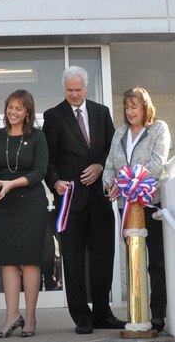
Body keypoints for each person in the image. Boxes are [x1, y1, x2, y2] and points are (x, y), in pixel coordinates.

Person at [42, 65, 124, 334]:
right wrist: (55, 182)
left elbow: (114, 151)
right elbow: (49, 159)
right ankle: (82, 317)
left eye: (78, 90)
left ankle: (103, 312)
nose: (74, 94)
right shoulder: (53, 116)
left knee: (103, 258)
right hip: (70, 202)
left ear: (86, 88)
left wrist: (101, 167)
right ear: (64, 89)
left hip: (100, 199)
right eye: (69, 90)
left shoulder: (101, 113)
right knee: (74, 261)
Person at [0, 89, 48, 338]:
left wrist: (10, 183)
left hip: (31, 203)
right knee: (7, 260)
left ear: (27, 112)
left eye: (19, 108)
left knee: (29, 260)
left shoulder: (38, 137)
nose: (13, 112)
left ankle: (30, 317)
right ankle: (11, 316)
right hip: (3, 204)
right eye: (10, 107)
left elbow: (40, 171)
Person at [103, 87, 171, 333]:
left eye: (135, 107)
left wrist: (132, 183)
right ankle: (136, 313)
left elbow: (157, 162)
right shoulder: (120, 132)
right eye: (127, 107)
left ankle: (158, 316)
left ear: (145, 107)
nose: (130, 112)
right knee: (134, 260)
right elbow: (109, 165)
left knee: (156, 262)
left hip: (150, 203)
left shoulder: (158, 129)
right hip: (126, 207)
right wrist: (110, 185)